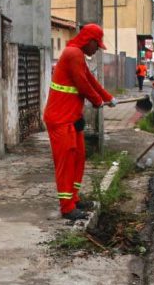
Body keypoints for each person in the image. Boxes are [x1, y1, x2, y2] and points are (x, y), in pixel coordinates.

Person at [43, 23, 117, 221]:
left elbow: (90, 80)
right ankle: (67, 207)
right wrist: (97, 100)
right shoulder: (73, 53)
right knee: (66, 163)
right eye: (97, 45)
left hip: (71, 117)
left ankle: (73, 198)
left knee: (78, 158)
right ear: (88, 40)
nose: (97, 49)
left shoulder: (77, 55)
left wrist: (107, 97)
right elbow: (82, 83)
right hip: (60, 119)